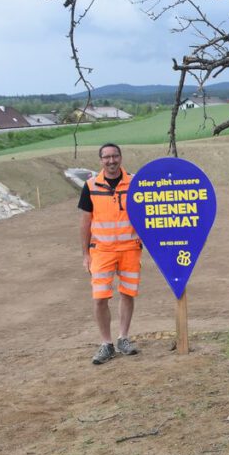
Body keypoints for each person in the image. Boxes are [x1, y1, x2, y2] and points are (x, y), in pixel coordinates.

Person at [79, 143, 142, 365]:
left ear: (121, 157)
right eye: (107, 157)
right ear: (100, 161)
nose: (111, 161)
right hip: (102, 251)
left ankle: (123, 338)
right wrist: (85, 254)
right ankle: (106, 344)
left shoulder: (135, 183)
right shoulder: (90, 186)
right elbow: (85, 222)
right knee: (99, 299)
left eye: (115, 156)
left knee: (127, 293)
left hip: (129, 250)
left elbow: (147, 212)